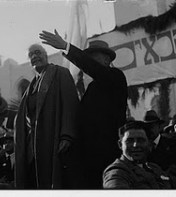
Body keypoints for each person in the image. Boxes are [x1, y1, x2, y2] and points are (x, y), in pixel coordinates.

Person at [39, 30, 128, 188]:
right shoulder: (93, 86)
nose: (91, 60)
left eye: (95, 56)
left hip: (106, 154)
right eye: (89, 57)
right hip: (88, 156)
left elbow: (94, 69)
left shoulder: (116, 76)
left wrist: (66, 47)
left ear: (107, 59)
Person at [15, 43, 79, 189]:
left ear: (46, 55)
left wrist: (66, 135)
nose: (35, 56)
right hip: (31, 148)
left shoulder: (60, 73)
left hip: (52, 140)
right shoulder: (30, 86)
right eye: (31, 55)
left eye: (38, 52)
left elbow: (70, 104)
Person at [103, 121, 176, 189]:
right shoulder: (118, 172)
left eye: (141, 140)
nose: (135, 145)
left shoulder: (153, 168)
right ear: (120, 145)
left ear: (149, 144)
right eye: (130, 141)